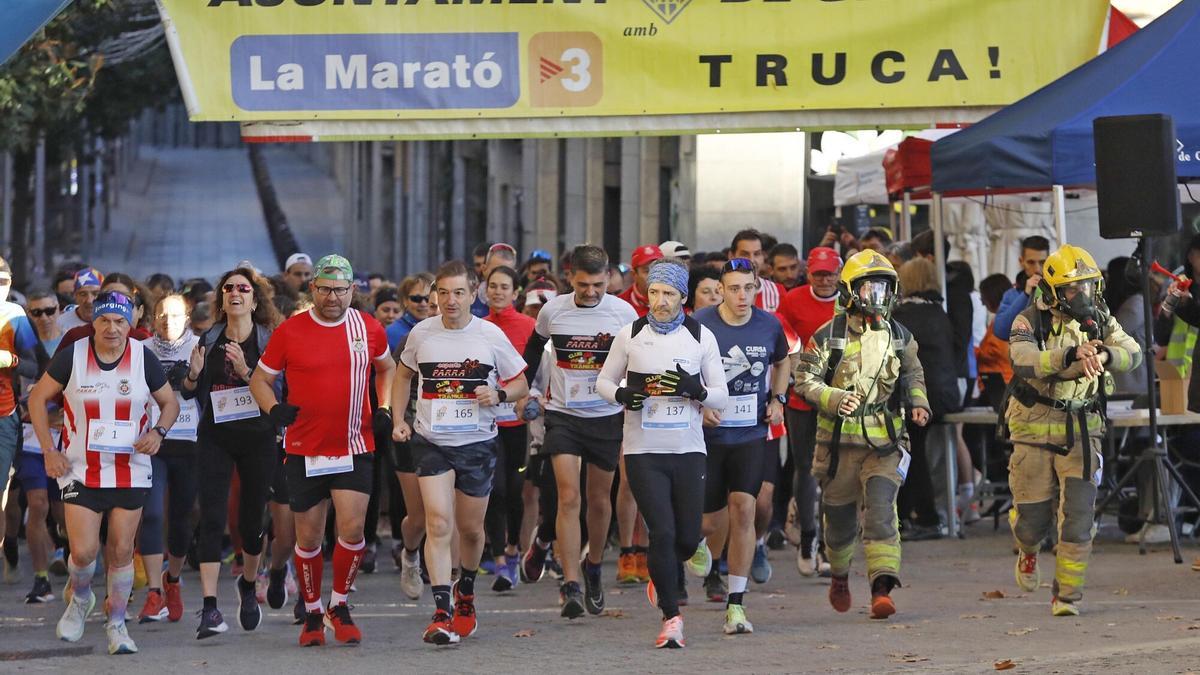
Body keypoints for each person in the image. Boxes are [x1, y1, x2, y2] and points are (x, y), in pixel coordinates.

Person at [251, 254, 394, 646]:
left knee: (351, 528)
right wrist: (274, 408)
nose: (333, 297)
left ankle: (339, 605)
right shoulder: (291, 331)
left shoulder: (368, 328)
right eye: (325, 289)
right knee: (309, 537)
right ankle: (312, 612)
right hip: (304, 449)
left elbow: (387, 368)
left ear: (353, 291)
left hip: (354, 443)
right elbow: (260, 380)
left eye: (341, 290)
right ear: (312, 288)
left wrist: (383, 407)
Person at [29, 290, 178, 655]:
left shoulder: (144, 357)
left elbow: (169, 403)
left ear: (131, 324)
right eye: (104, 321)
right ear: (92, 322)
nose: (112, 328)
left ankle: (117, 623)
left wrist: (158, 433)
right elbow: (37, 398)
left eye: (120, 321)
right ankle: (80, 599)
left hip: (130, 468)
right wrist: (49, 451)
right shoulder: (73, 357)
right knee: (83, 553)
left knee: (122, 551)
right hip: (81, 469)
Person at [392, 260, 527, 646]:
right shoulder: (421, 334)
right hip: (431, 441)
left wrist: (499, 393)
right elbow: (403, 375)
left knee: (470, 529)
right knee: (438, 522)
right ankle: (441, 612)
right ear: (436, 294)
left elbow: (519, 384)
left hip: (477, 444)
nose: (450, 301)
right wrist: (399, 418)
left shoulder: (490, 335)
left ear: (474, 294)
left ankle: (465, 591)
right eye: (443, 293)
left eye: (459, 293)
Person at [597, 257, 727, 649]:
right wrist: (622, 395)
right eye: (654, 292)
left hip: (688, 450)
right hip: (643, 451)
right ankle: (672, 618)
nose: (660, 301)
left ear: (683, 297)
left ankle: (673, 564)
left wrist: (697, 390)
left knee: (686, 537)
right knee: (663, 532)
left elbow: (721, 394)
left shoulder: (700, 336)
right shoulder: (630, 334)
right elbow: (603, 380)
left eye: (669, 294)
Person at [794, 250, 931, 621]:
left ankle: (881, 589)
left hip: (886, 441)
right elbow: (803, 380)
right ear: (851, 292)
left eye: (884, 289)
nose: (877, 297)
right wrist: (834, 398)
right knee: (838, 522)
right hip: (838, 446)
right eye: (869, 289)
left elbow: (913, 375)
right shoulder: (828, 337)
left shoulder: (901, 336)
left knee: (882, 512)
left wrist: (919, 404)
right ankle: (839, 573)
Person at [1005, 245, 1141, 616]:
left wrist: (1105, 356)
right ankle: (1028, 550)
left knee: (1079, 517)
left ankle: (1066, 595)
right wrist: (1069, 356)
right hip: (1033, 429)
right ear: (1052, 290)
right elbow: (1024, 361)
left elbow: (1133, 350)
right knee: (1032, 520)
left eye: (1086, 286)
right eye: (1071, 289)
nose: (1080, 296)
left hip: (1082, 428)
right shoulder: (1028, 320)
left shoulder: (1101, 318)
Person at [519, 245, 637, 618]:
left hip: (605, 415)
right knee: (569, 497)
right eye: (583, 284)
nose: (590, 292)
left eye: (598, 285)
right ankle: (570, 583)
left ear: (608, 279)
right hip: (563, 415)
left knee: (599, 501)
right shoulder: (554, 310)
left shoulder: (624, 313)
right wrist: (523, 390)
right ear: (570, 278)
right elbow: (533, 350)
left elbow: (638, 360)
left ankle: (593, 567)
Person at [182, 267, 283, 640]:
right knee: (211, 518)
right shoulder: (207, 339)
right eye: (229, 288)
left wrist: (247, 372)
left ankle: (248, 583)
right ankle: (210, 607)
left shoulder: (271, 340)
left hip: (257, 436)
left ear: (255, 300)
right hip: (216, 436)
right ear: (222, 299)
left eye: (243, 288)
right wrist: (192, 376)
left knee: (251, 524)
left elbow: (280, 392)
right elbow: (191, 391)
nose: (235, 293)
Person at [690, 258, 789, 636]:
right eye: (734, 288)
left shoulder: (769, 324)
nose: (743, 296)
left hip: (750, 435)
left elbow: (782, 362)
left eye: (749, 288)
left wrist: (778, 398)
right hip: (709, 438)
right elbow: (684, 370)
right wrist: (699, 406)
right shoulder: (700, 323)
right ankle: (695, 544)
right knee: (708, 522)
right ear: (721, 289)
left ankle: (736, 605)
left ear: (757, 286)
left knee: (744, 510)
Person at [138, 293, 202, 624]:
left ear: (187, 319)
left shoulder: (199, 346)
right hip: (153, 442)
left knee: (182, 517)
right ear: (153, 318)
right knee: (151, 514)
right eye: (162, 315)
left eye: (176, 316)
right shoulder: (141, 349)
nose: (168, 321)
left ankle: (172, 581)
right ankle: (153, 592)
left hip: (189, 441)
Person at [778, 247, 840, 576]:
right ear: (809, 273)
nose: (825, 280)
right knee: (805, 468)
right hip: (802, 397)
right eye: (819, 274)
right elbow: (785, 339)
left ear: (840, 273)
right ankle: (807, 538)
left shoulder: (849, 300)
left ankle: (829, 545)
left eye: (830, 273)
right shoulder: (793, 299)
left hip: (839, 398)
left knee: (834, 470)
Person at [891, 258, 962, 541]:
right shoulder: (939, 313)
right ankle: (917, 514)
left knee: (910, 454)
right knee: (916, 452)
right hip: (945, 393)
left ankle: (923, 515)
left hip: (919, 397)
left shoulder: (903, 316)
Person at [482, 265, 536, 591]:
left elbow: (538, 373)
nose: (499, 292)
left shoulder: (529, 327)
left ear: (516, 293)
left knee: (515, 489)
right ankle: (500, 559)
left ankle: (515, 549)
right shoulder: (478, 327)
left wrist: (532, 398)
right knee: (495, 490)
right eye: (493, 286)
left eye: (505, 287)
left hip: (517, 422)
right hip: (487, 422)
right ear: (485, 291)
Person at [0, 257, 42, 569]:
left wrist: (10, 361)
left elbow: (34, 364)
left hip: (4, 415)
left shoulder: (14, 315)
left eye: (3, 283)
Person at [992, 236, 1051, 341]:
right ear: (1021, 261)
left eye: (1042, 262)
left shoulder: (1058, 291)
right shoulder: (1011, 295)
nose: (1037, 269)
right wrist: (1026, 295)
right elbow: (1001, 331)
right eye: (1031, 262)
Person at [728, 230, 784, 312]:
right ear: (731, 256)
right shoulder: (718, 292)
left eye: (757, 254)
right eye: (745, 254)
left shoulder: (777, 291)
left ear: (763, 257)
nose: (752, 260)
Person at [386, 273, 435, 351]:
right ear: (405, 301)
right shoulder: (391, 333)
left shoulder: (446, 328)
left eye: (428, 298)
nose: (423, 303)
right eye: (416, 298)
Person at [473, 243, 518, 317]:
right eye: (495, 270)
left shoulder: (522, 304)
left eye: (507, 272)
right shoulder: (469, 300)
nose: (500, 276)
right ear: (484, 269)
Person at [618, 245, 664, 317]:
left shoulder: (676, 300)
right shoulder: (620, 305)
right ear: (634, 275)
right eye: (647, 271)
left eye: (658, 269)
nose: (654, 275)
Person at [58, 267, 103, 332]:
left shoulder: (115, 321)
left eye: (95, 293)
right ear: (75, 296)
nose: (89, 301)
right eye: (83, 294)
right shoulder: (61, 323)